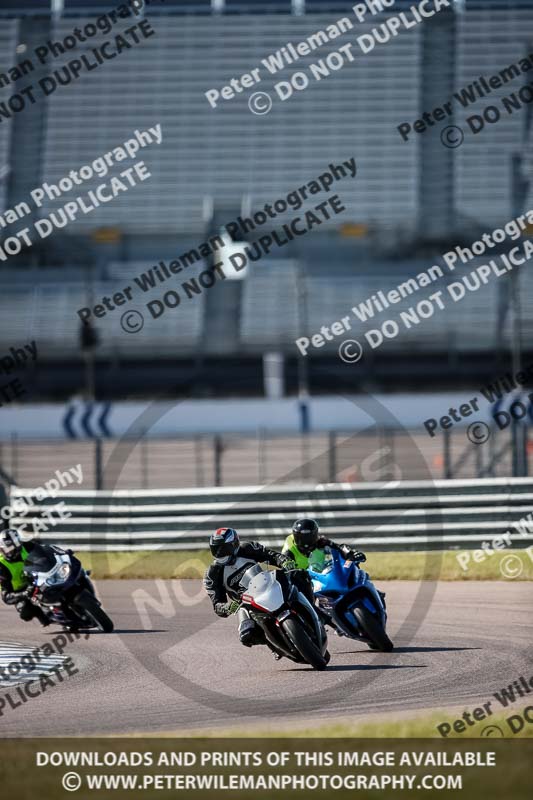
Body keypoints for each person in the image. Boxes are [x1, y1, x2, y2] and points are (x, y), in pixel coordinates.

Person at [203, 526, 315, 656]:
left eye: (224, 549)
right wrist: (227, 607)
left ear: (234, 544)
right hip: (246, 604)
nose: (220, 553)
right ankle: (273, 645)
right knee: (247, 635)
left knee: (299, 576)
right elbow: (217, 604)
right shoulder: (213, 573)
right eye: (216, 550)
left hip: (268, 584)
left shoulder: (248, 548)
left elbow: (271, 555)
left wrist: (284, 561)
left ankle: (312, 611)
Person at [0, 529, 50, 626]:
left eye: (12, 548)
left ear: (19, 545)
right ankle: (41, 615)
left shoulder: (28, 546)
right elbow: (6, 596)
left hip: (40, 578)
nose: (10, 552)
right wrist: (24, 593)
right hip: (21, 590)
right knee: (25, 613)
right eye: (6, 550)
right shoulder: (1, 566)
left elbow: (46, 552)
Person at [283, 518, 366, 569]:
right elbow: (283, 569)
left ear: (315, 535)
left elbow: (339, 547)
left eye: (309, 537)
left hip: (319, 578)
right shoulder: (289, 552)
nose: (306, 541)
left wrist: (351, 553)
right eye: (302, 538)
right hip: (298, 583)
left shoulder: (321, 542)